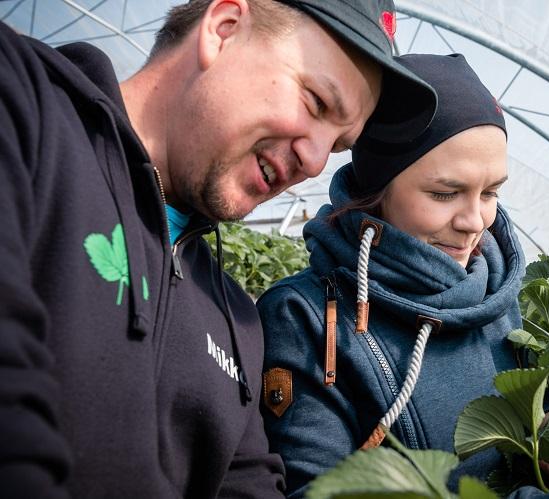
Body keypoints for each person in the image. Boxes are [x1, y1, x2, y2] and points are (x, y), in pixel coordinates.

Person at [0, 0, 437, 497]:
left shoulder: (237, 322)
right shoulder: (21, 104)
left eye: (337, 145)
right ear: (223, 29)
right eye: (316, 102)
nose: (316, 161)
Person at [258, 53, 549, 499]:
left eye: (491, 192)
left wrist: (542, 430)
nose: (475, 221)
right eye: (444, 193)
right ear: (377, 190)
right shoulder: (304, 316)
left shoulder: (493, 289)